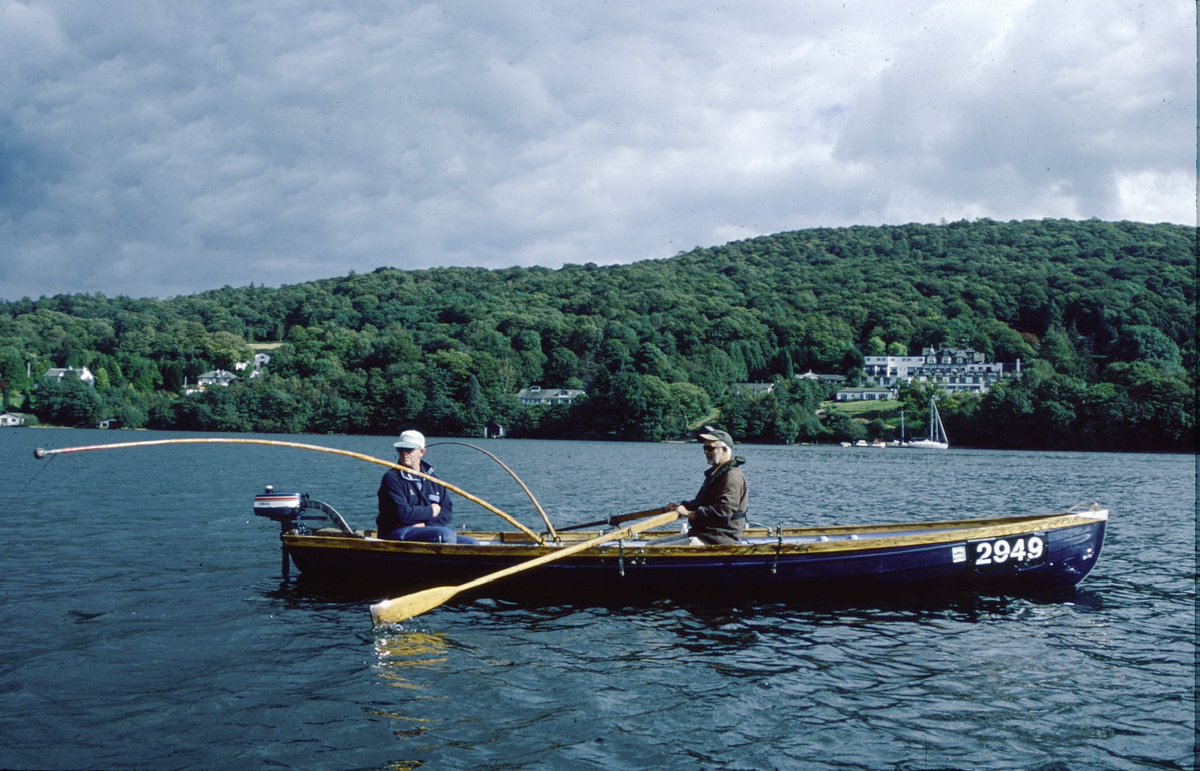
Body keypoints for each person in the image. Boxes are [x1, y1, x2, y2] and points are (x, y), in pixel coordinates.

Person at [377, 430, 478, 544]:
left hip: (427, 529)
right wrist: (432, 511)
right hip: (396, 532)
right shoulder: (392, 478)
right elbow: (402, 514)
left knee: (473, 544)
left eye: (409, 449)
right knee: (445, 535)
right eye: (400, 449)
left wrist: (426, 525)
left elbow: (446, 512)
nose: (404, 453)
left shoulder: (433, 479)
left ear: (422, 452)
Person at [666, 426, 749, 545]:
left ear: (725, 450)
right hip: (704, 535)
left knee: (648, 552)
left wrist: (688, 513)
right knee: (650, 545)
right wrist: (680, 506)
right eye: (704, 448)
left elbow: (722, 513)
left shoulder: (732, 477)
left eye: (710, 448)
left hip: (718, 539)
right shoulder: (716, 475)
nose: (706, 452)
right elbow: (701, 504)